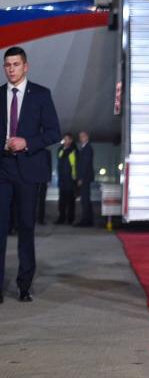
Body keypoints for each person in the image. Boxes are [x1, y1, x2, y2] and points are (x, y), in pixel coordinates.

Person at [0, 46, 60, 303]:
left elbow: (54, 133)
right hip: (3, 168)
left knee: (26, 228)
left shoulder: (41, 95)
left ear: (26, 66)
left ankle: (24, 285)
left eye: (16, 64)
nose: (11, 69)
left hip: (29, 170)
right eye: (7, 65)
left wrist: (27, 142)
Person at [56, 133, 77, 225]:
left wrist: (75, 178)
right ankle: (61, 218)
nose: (65, 141)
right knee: (61, 201)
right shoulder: (60, 150)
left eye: (67, 139)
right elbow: (59, 163)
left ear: (71, 140)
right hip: (62, 180)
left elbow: (75, 165)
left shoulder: (73, 150)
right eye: (64, 139)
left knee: (70, 201)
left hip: (70, 180)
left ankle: (70, 219)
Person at [75, 131, 94, 227]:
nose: (81, 138)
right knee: (86, 199)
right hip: (85, 178)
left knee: (85, 200)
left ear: (87, 137)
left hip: (85, 178)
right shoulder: (84, 148)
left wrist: (81, 178)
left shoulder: (87, 148)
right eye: (80, 137)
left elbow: (85, 165)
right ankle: (88, 220)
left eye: (82, 136)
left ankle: (85, 221)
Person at [36, 153, 51, 225]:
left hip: (43, 180)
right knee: (33, 200)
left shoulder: (47, 153)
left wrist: (49, 179)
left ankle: (40, 218)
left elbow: (49, 166)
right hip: (33, 179)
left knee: (41, 200)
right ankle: (34, 218)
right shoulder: (32, 151)